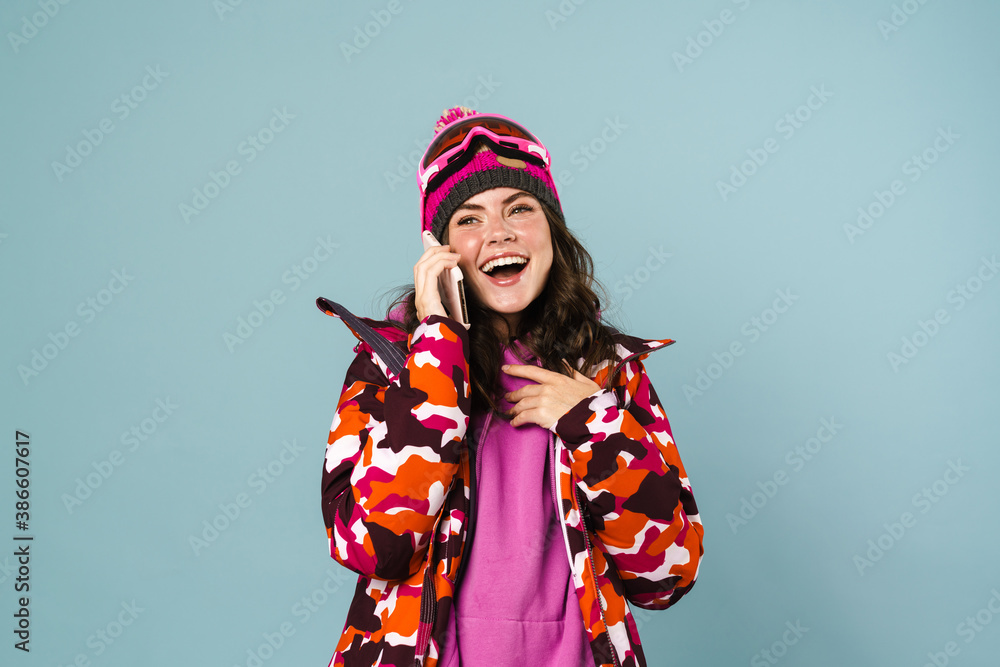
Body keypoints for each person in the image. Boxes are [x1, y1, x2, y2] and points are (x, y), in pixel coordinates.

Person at [319, 107, 704, 667]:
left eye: (519, 208)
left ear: (552, 230)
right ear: (439, 251)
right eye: (468, 219)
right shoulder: (390, 367)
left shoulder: (608, 372)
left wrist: (592, 423)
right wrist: (438, 349)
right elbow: (374, 548)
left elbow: (666, 576)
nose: (498, 233)